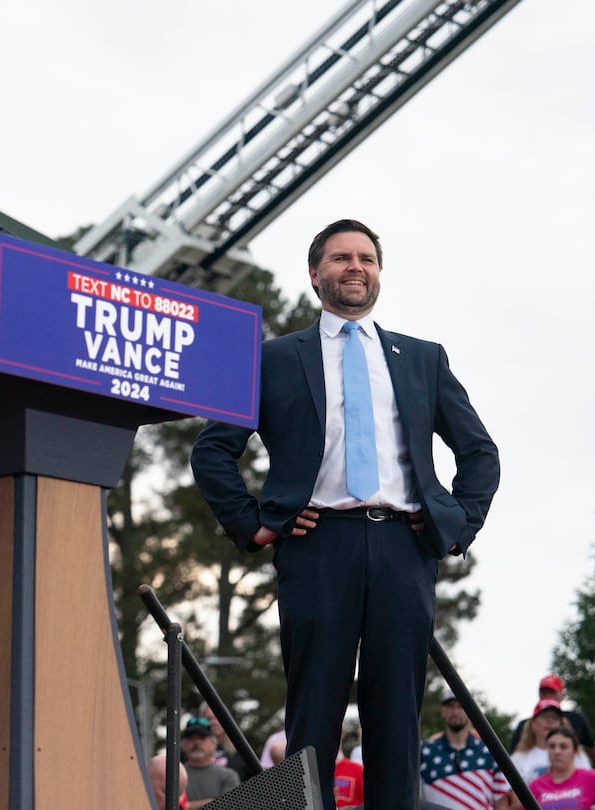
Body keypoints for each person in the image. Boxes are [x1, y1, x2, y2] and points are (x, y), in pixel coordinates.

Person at [192, 218, 499, 810]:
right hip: (316, 547)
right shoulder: (274, 358)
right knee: (314, 716)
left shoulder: (422, 360)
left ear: (379, 273)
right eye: (340, 258)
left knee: (396, 718)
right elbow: (211, 450)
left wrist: (455, 524)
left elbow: (479, 452)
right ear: (315, 275)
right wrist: (252, 522)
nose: (355, 266)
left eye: (366, 258)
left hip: (403, 548)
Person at [509, 675, 595, 791]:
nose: (549, 722)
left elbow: (593, 750)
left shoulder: (576, 721)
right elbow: (513, 766)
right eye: (543, 692)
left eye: (552, 691)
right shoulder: (522, 750)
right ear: (533, 724)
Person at [421, 689, 511, 810]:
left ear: (470, 711)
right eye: (450, 706)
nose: (455, 712)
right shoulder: (426, 752)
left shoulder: (489, 751)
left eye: (461, 706)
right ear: (442, 711)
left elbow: (501, 802)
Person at [526, 726, 595, 810]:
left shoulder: (594, 778)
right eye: (552, 746)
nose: (557, 751)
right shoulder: (535, 785)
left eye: (563, 747)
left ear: (574, 751)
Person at [511, 699, 590, 787]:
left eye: (555, 717)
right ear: (533, 723)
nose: (550, 721)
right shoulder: (518, 759)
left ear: (561, 724)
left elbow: (587, 785)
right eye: (545, 716)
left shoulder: (577, 755)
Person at [182, 715, 241, 808]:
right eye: (191, 738)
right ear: (183, 745)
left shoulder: (229, 776)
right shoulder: (174, 776)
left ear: (214, 744)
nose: (196, 742)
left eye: (202, 738)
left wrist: (186, 806)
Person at [198, 703, 253, 780]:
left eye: (217, 717)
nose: (214, 722)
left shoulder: (241, 747)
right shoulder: (194, 749)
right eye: (209, 719)